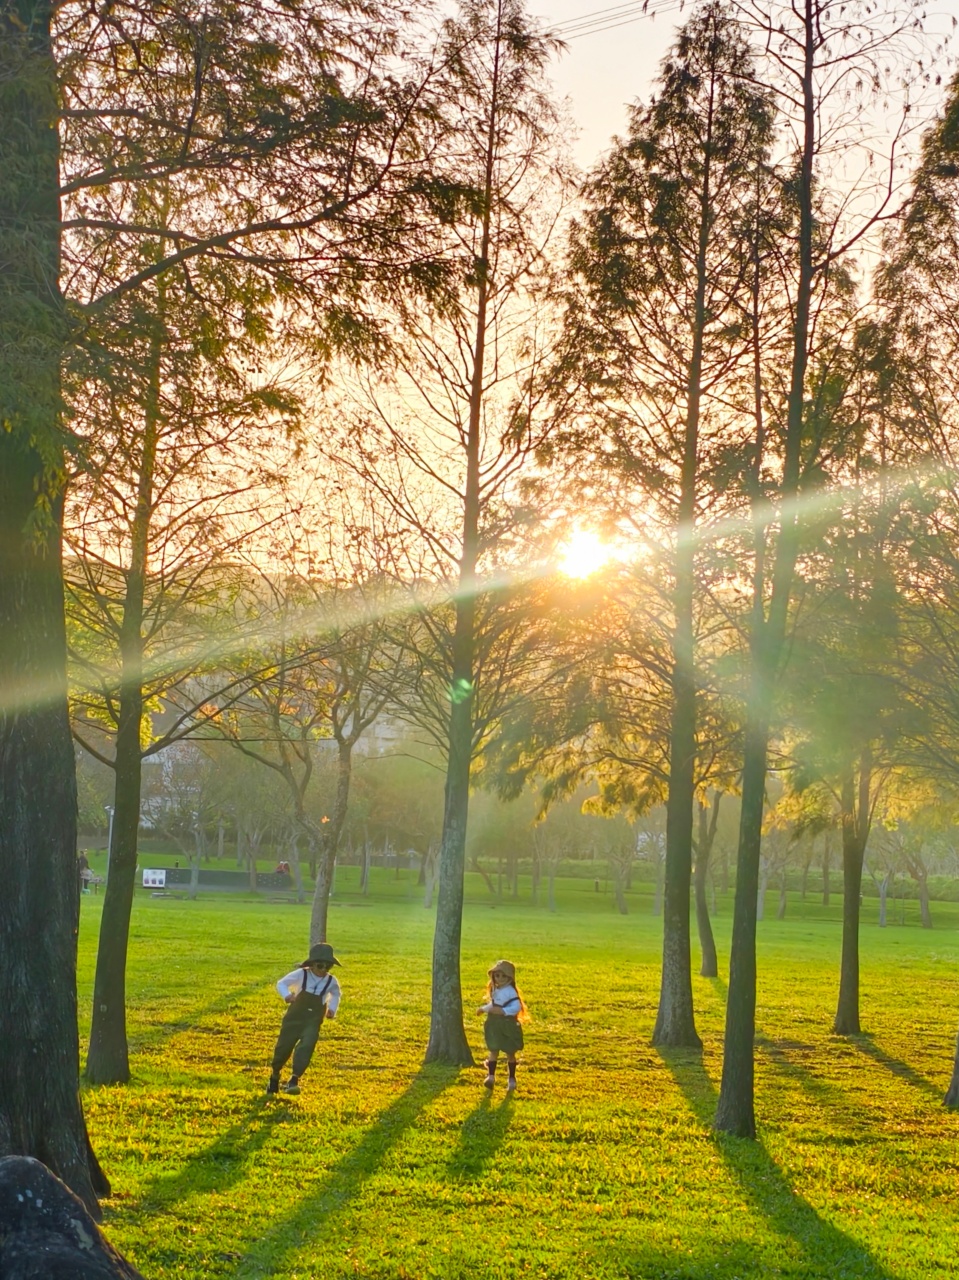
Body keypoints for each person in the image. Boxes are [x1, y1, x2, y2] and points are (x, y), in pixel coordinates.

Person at [267, 941, 342, 1096]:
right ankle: (275, 1075)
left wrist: (332, 1009)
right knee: (283, 1047)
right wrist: (287, 995)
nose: (323, 970)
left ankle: (294, 1079)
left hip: (313, 1019)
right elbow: (282, 983)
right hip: (295, 1016)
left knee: (307, 1045)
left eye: (328, 967)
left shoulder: (331, 981)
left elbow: (336, 994)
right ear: (312, 964)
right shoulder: (302, 974)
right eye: (320, 966)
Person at [477, 958, 526, 1094]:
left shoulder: (511, 992)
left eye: (504, 976)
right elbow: (494, 1005)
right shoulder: (496, 990)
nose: (500, 978)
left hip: (507, 1025)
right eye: (497, 975)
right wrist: (483, 1009)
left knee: (510, 1052)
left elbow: (516, 1007)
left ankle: (511, 1078)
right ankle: (491, 1076)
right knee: (493, 1049)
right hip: (494, 1024)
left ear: (509, 977)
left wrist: (504, 1012)